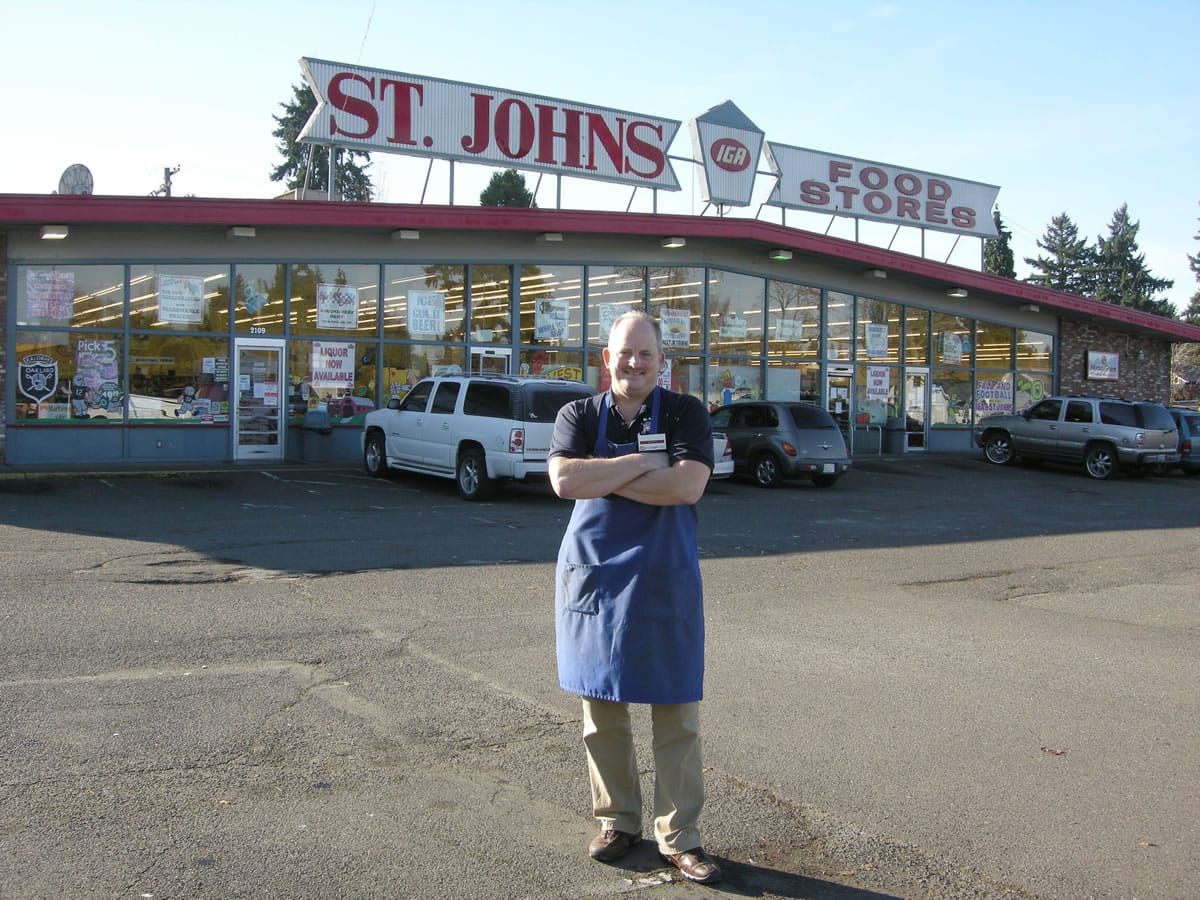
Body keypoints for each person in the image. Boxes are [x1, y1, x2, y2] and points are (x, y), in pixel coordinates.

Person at [548, 310, 720, 884]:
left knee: (676, 713)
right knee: (601, 711)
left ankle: (680, 836)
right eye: (625, 352)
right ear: (607, 357)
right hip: (594, 579)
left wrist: (608, 473)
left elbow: (687, 485)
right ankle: (618, 821)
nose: (635, 363)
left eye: (646, 353)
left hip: (663, 576)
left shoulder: (685, 413)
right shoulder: (577, 414)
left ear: (661, 360)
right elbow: (566, 482)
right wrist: (647, 463)